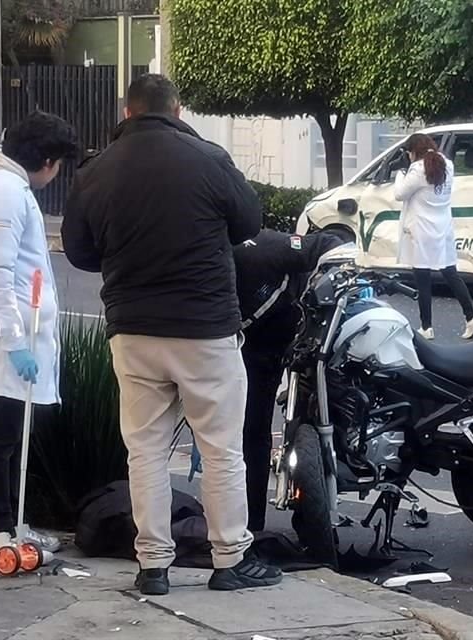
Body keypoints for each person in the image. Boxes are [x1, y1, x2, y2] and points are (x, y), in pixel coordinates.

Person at [61, 73, 282, 596]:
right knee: (223, 449)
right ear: (177, 111)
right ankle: (229, 559)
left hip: (133, 331)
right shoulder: (208, 158)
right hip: (205, 330)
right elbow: (249, 224)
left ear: (127, 111)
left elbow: (80, 252)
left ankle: (153, 565)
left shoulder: (96, 171)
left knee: (146, 452)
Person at [0, 111, 78, 564]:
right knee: (3, 435)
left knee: (9, 433)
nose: (57, 172)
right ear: (45, 159)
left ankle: (9, 523)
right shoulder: (3, 193)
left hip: (10, 328)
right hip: (4, 334)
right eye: (58, 162)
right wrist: (15, 342)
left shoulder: (5, 188)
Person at [232, 229, 346, 532]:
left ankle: (277, 516)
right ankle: (250, 523)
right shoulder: (199, 263)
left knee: (303, 414)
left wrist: (327, 280)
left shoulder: (263, 249)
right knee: (249, 432)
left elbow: (327, 243)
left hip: (296, 330)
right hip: (244, 347)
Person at [393, 133, 473, 341]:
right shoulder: (448, 165)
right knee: (451, 272)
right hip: (443, 228)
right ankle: (471, 317)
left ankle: (427, 327)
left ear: (413, 151)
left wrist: (400, 172)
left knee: (423, 278)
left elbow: (399, 194)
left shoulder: (416, 169)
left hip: (422, 229)